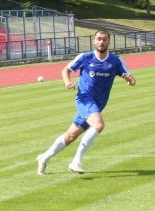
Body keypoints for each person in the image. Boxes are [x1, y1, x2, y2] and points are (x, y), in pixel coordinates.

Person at [36, 30, 136, 175]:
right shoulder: (85, 57)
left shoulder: (116, 60)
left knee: (71, 136)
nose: (101, 42)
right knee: (99, 125)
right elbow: (66, 70)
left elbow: (130, 78)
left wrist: (130, 80)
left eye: (104, 39)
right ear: (94, 41)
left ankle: (44, 158)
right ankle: (76, 161)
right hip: (84, 99)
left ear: (109, 42)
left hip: (99, 104)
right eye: (99, 39)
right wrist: (67, 82)